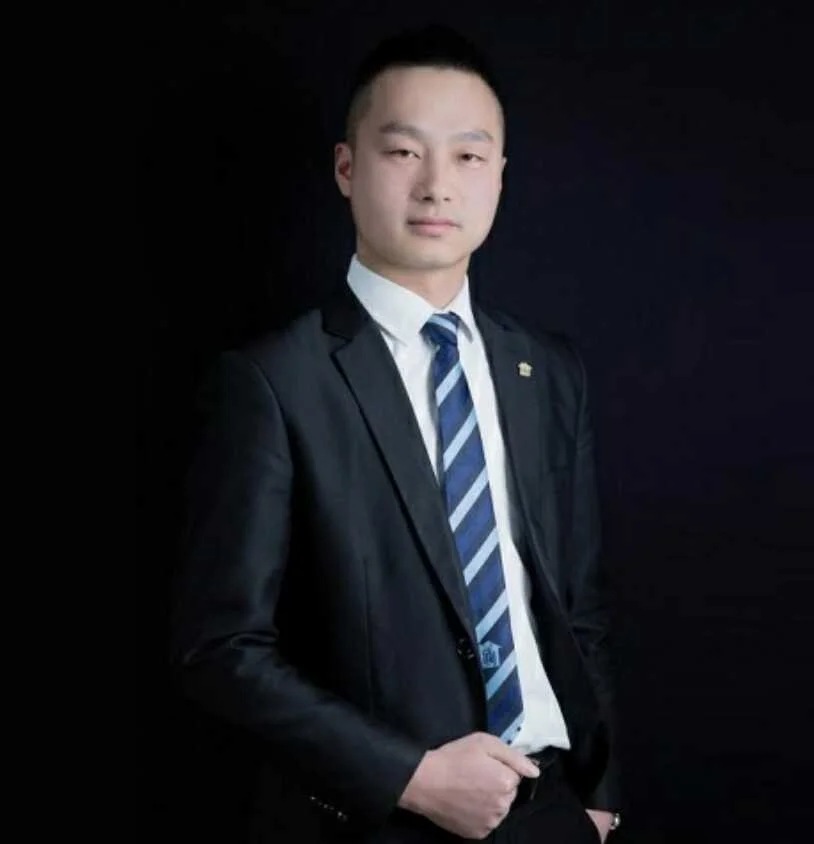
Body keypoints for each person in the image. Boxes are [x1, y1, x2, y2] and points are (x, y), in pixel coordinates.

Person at [172, 23, 622, 843]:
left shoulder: (550, 370)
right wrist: (409, 777)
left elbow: (578, 605)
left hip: (554, 809)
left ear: (500, 175)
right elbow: (221, 647)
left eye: (469, 156)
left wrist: (597, 797)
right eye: (404, 152)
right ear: (347, 168)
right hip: (381, 819)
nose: (436, 186)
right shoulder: (273, 382)